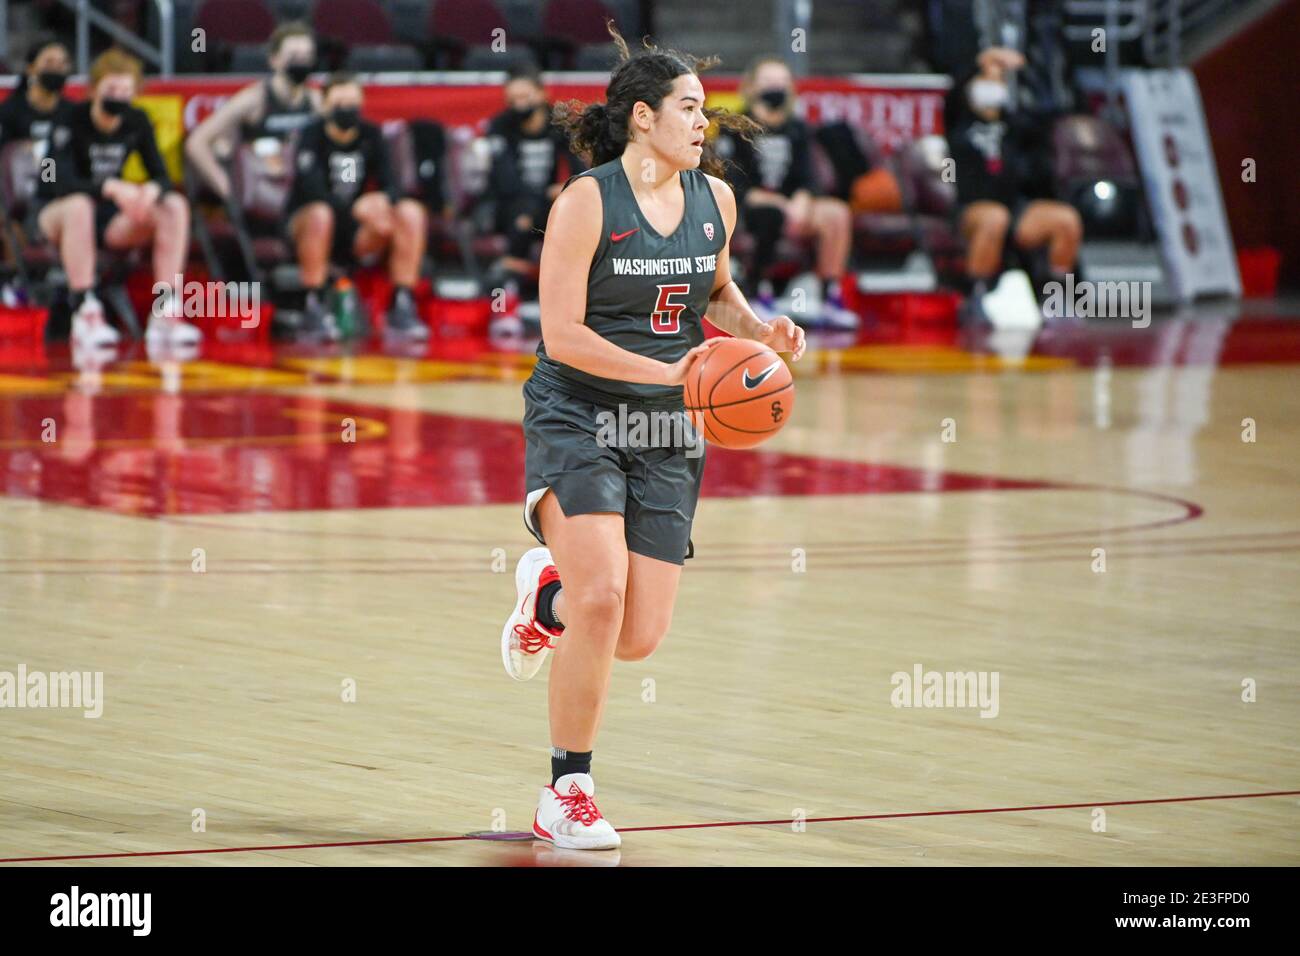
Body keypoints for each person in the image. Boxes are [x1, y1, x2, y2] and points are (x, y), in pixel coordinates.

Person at [498, 26, 806, 850]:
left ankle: (544, 598)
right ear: (642, 118)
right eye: (689, 108)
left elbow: (718, 295)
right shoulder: (587, 201)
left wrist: (758, 328)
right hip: (580, 410)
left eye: (706, 111)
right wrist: (671, 374)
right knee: (603, 598)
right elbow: (560, 335)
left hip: (669, 428)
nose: (705, 123)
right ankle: (566, 791)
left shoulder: (718, 201)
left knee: (635, 636)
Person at [37, 48, 198, 350]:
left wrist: (151, 190)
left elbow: (161, 176)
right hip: (54, 214)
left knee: (173, 205)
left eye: (126, 91)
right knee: (79, 205)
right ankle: (85, 311)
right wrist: (108, 187)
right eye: (111, 89)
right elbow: (54, 180)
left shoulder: (137, 120)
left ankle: (166, 310)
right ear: (94, 88)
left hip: (108, 219)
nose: (118, 97)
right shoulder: (68, 118)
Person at [942, 0, 1085, 322]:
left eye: (998, 79)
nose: (993, 83)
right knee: (994, 218)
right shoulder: (959, 120)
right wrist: (987, 59)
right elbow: (956, 88)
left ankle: (1056, 300)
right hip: (972, 209)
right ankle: (976, 297)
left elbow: (1049, 117)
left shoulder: (1014, 123)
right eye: (987, 77)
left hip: (1013, 207)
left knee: (1065, 219)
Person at [714, 55, 859, 329]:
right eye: (768, 81)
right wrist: (775, 202)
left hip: (793, 206)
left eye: (781, 82)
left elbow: (807, 176)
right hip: (752, 205)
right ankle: (759, 290)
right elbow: (730, 179)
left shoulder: (798, 128)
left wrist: (802, 200)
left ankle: (829, 295)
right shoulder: (734, 127)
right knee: (770, 214)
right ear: (751, 86)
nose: (775, 87)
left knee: (837, 212)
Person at [286, 73, 427, 340]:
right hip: (310, 225)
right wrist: (353, 209)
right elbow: (311, 191)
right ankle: (312, 305)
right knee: (320, 214)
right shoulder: (309, 136)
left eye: (353, 104)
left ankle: (402, 303)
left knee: (410, 211)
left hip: (357, 231)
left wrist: (381, 203)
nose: (347, 110)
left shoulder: (371, 135)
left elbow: (392, 185)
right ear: (325, 105)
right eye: (340, 103)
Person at [483, 63, 584, 329]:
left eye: (524, 97)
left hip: (549, 206)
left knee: (562, 211)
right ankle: (512, 302)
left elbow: (580, 173)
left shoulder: (559, 124)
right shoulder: (498, 127)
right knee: (523, 215)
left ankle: (531, 295)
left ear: (541, 94)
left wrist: (564, 189)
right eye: (512, 99)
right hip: (505, 205)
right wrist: (550, 192)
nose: (519, 105)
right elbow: (506, 183)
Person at [184, 21, 320, 203]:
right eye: (294, 56)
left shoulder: (317, 100)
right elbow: (196, 142)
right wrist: (227, 189)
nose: (301, 63)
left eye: (307, 57)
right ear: (274, 59)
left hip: (302, 187)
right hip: (264, 190)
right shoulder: (254, 99)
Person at [0, 35, 74, 152]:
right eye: (49, 62)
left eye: (62, 63)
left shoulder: (73, 113)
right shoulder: (8, 113)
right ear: (30, 68)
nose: (56, 69)